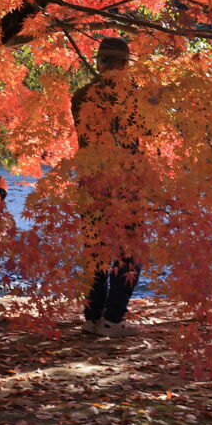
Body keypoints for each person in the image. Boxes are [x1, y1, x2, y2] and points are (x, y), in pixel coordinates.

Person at [71, 37, 145, 337]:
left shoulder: (81, 95)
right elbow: (148, 129)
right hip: (126, 181)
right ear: (125, 63)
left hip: (91, 180)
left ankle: (92, 317)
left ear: (99, 62)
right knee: (130, 252)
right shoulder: (134, 95)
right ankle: (113, 320)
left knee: (95, 250)